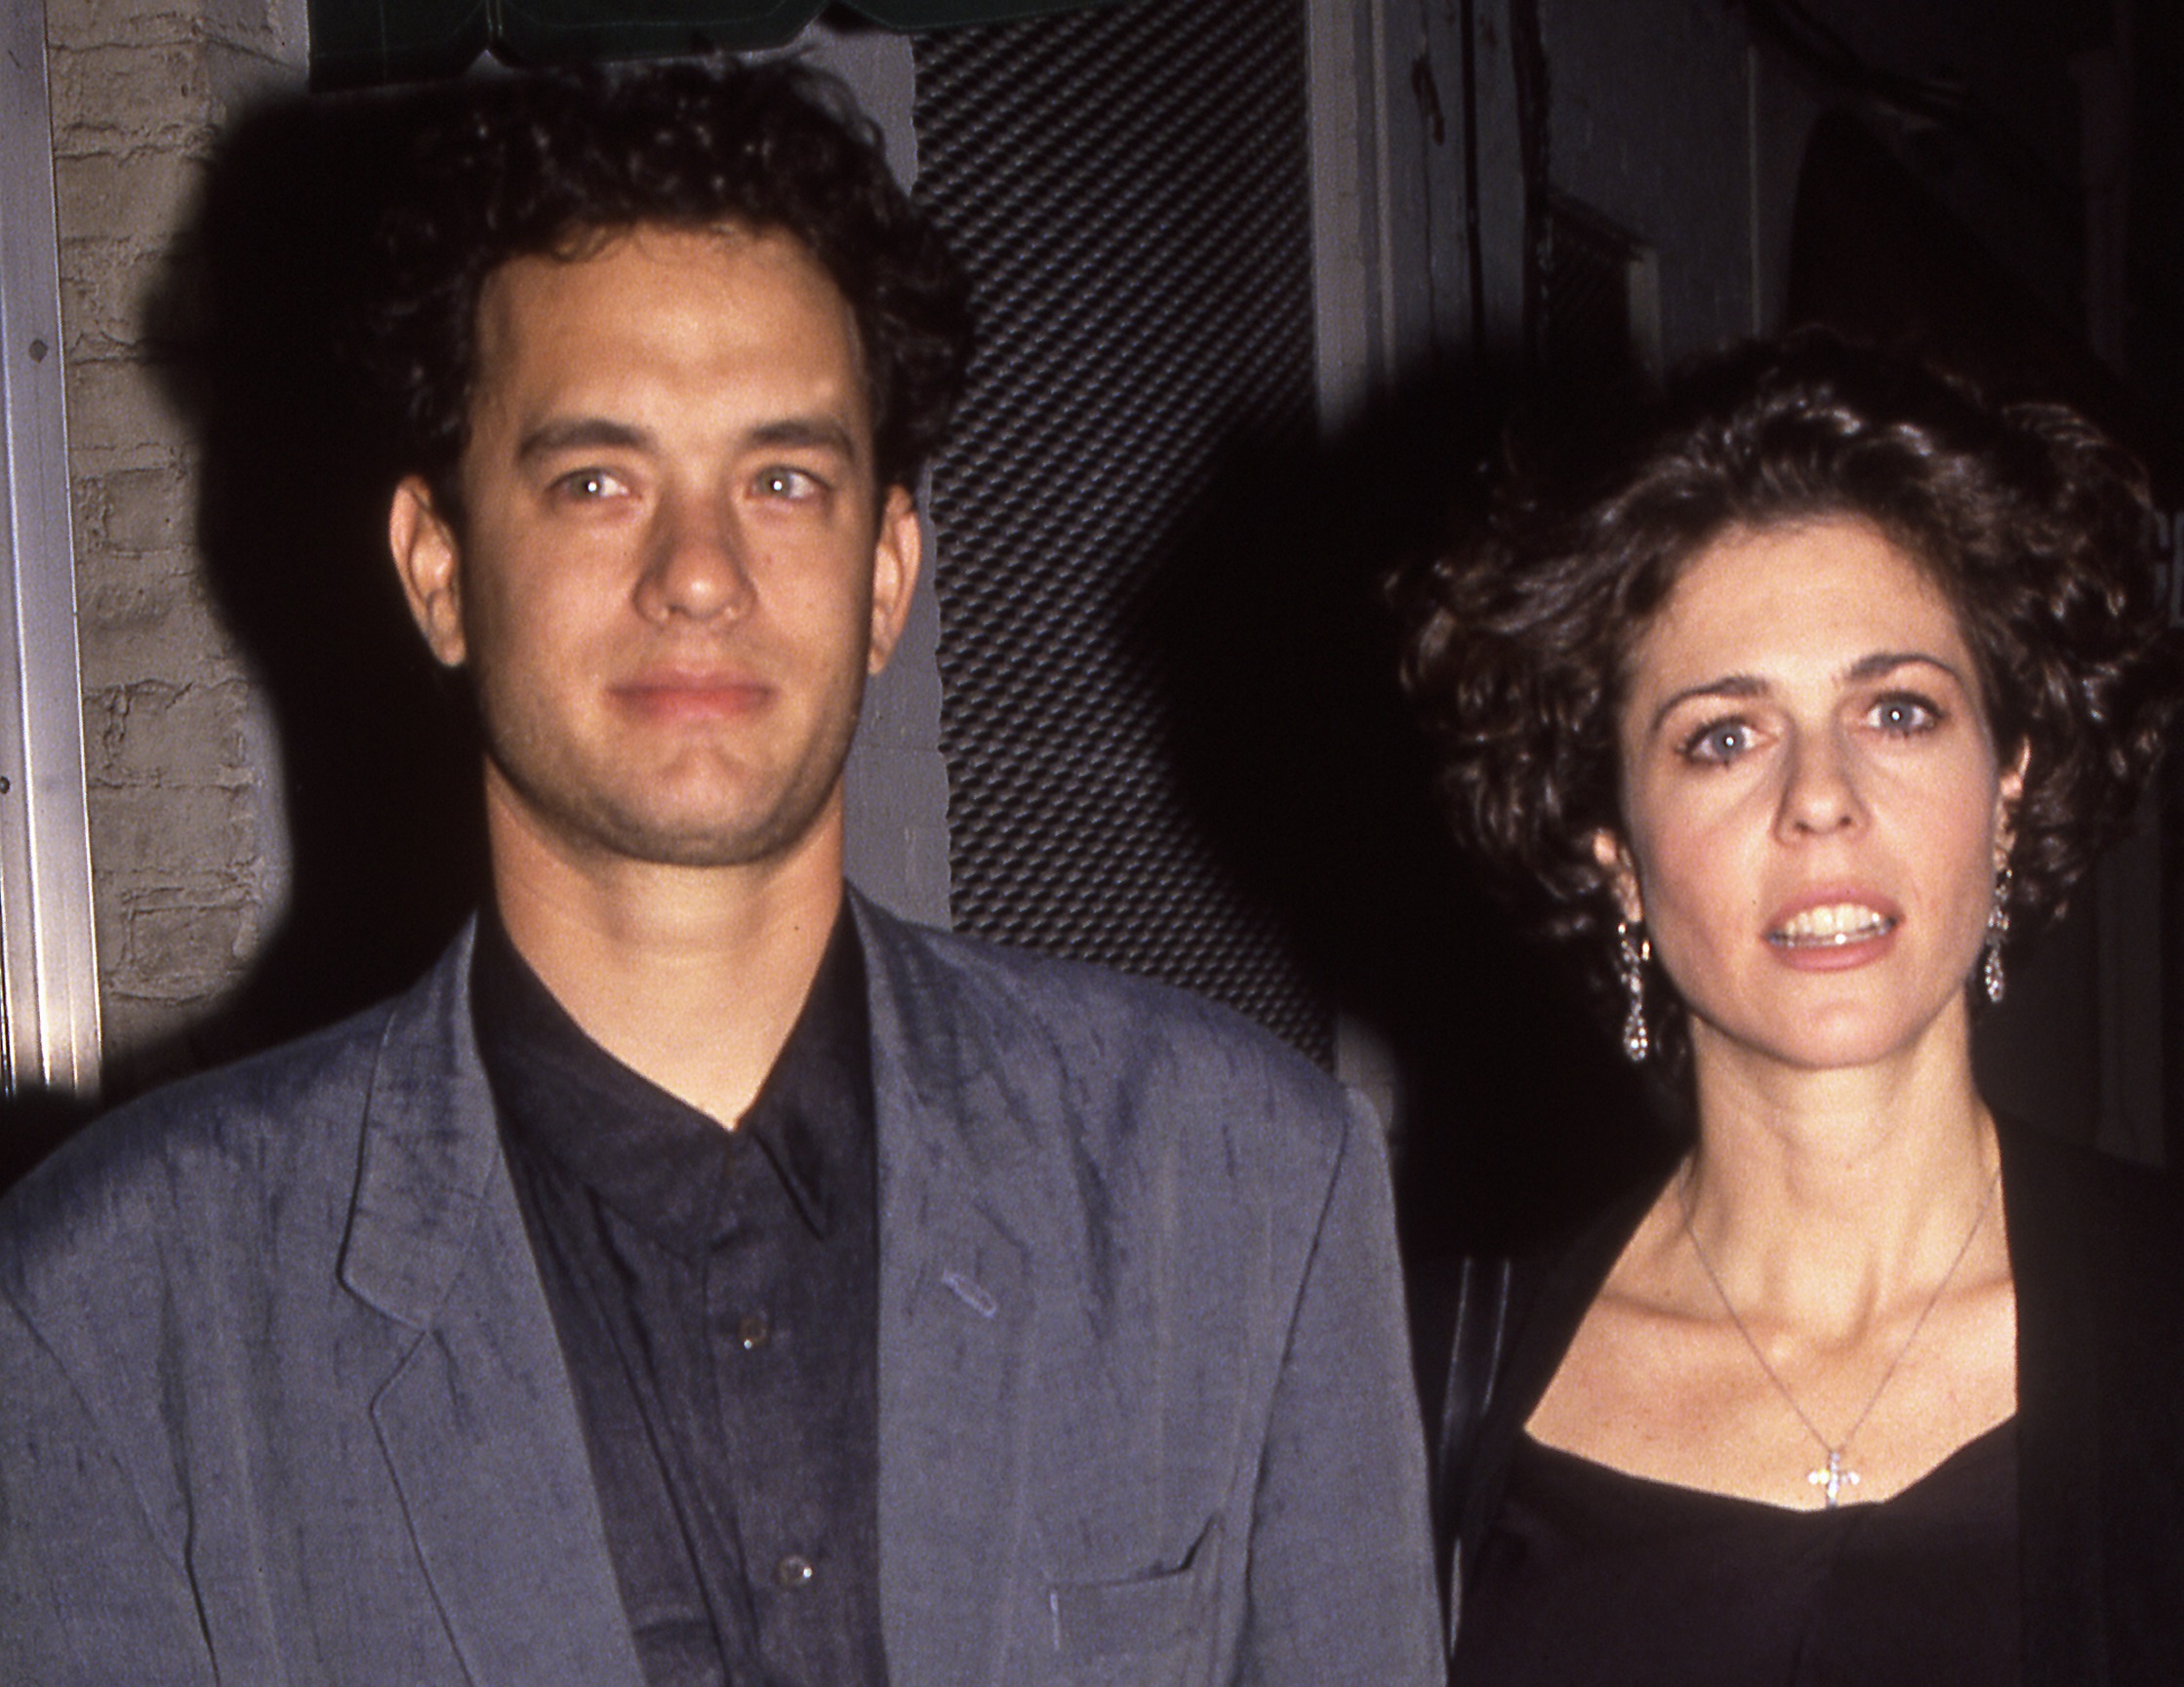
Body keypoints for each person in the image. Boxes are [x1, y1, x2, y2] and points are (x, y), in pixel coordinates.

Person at [0, 58, 1442, 1686]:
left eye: (783, 480)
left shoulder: (1240, 1190)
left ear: (886, 573)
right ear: (440, 570)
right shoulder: (119, 1313)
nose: (700, 573)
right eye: (597, 480)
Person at [1397, 330, 2184, 1683]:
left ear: (2006, 791)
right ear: (1614, 852)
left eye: (1896, 711)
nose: (1818, 794)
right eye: (1723, 734)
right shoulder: (1415, 1387)